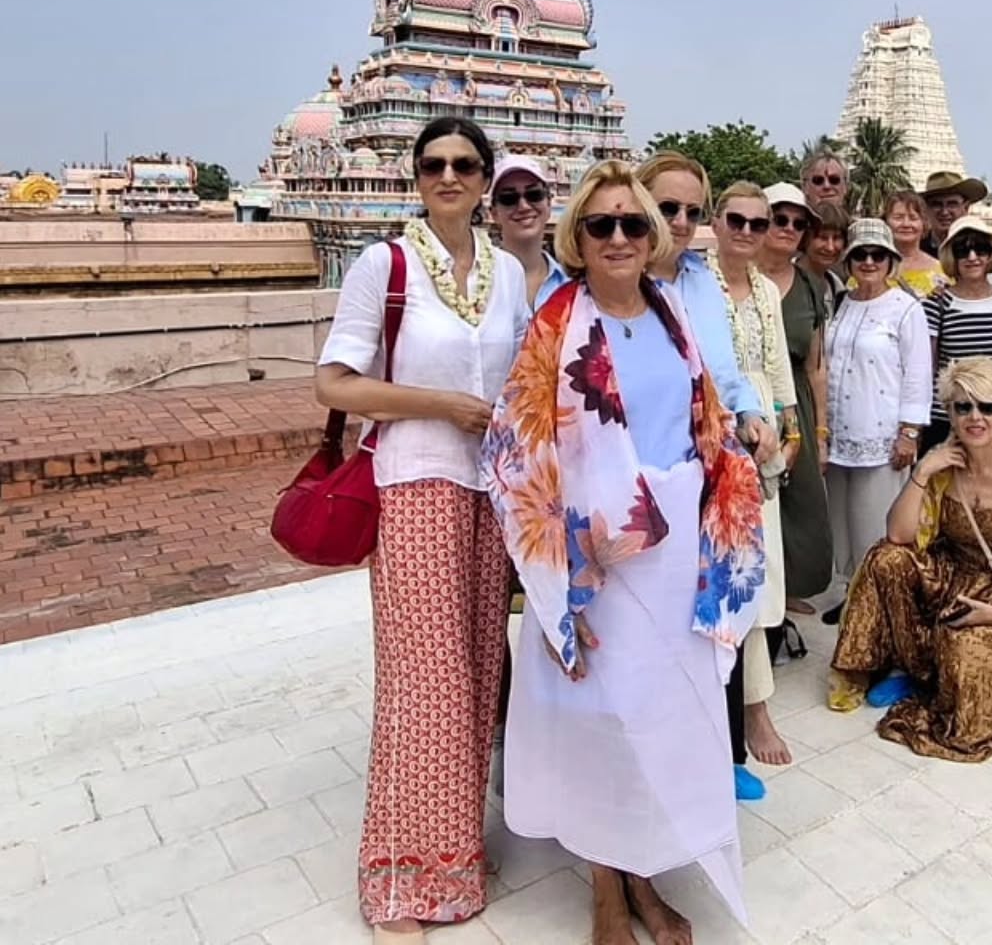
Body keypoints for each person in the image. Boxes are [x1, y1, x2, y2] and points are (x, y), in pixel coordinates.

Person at [480, 161, 766, 940]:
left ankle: (646, 874)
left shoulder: (672, 309)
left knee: (664, 711)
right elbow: (516, 447)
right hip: (591, 549)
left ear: (652, 236)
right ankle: (608, 888)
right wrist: (559, 565)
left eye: (632, 223)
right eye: (600, 224)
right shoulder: (558, 320)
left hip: (678, 546)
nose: (617, 237)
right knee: (606, 716)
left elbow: (707, 420)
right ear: (578, 235)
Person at [315, 117, 529, 938]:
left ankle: (456, 855)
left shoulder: (506, 275)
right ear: (417, 176)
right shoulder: (386, 266)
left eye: (465, 165)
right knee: (423, 685)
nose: (450, 177)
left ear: (484, 181)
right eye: (435, 164)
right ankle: (399, 878)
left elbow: (524, 378)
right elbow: (333, 383)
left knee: (477, 674)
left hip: (487, 492)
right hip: (413, 485)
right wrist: (438, 404)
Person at [828, 357, 992, 761]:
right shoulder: (943, 465)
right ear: (950, 412)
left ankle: (938, 678)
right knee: (885, 559)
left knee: (972, 693)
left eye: (986, 407)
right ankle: (907, 667)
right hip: (945, 577)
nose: (975, 417)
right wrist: (923, 471)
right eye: (963, 407)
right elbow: (899, 536)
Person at [635, 152, 779, 800]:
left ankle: (720, 755)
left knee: (716, 610)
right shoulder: (616, 273)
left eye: (694, 211)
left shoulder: (698, 279)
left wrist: (751, 411)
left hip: (708, 468)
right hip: (643, 473)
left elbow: (720, 363)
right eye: (668, 209)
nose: (683, 222)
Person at [711, 182, 798, 773]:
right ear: (717, 223)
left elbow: (778, 372)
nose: (746, 232)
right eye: (736, 220)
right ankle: (745, 705)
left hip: (765, 434)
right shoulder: (696, 284)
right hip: (719, 434)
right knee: (733, 574)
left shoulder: (766, 290)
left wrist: (789, 435)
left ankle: (755, 703)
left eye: (757, 223)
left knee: (766, 575)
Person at [823, 219, 932, 624]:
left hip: (881, 435)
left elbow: (918, 374)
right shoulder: (843, 303)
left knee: (876, 525)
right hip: (839, 435)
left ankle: (880, 606)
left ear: (890, 261)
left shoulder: (906, 309)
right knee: (843, 526)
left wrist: (909, 432)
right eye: (861, 255)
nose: (869, 262)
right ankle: (853, 594)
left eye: (877, 255)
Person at [760, 182, 834, 615]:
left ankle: (786, 590)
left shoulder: (808, 284)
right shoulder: (730, 274)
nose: (787, 228)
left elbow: (816, 365)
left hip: (797, 404)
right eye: (778, 218)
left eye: (797, 222)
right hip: (747, 400)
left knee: (801, 501)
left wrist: (820, 431)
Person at [922, 218, 992, 454]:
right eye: (962, 250)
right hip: (948, 418)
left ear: (991, 255)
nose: (972, 256)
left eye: (981, 248)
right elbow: (928, 365)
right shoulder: (938, 304)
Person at [490, 154, 567, 311]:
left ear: (549, 204)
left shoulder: (572, 285)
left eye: (534, 195)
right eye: (509, 198)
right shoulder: (480, 284)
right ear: (493, 213)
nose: (524, 206)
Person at [885, 190, 947, 295]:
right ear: (886, 222)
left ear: (924, 223)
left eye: (913, 218)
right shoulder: (871, 268)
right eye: (898, 217)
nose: (906, 224)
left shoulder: (943, 271)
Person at [920, 170, 987, 255]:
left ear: (966, 208)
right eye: (937, 204)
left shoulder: (981, 248)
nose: (944, 212)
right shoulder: (914, 249)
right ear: (926, 209)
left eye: (952, 204)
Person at [801, 201, 850, 317]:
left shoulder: (837, 287)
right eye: (822, 237)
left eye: (837, 238)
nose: (830, 247)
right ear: (806, 238)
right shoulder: (786, 279)